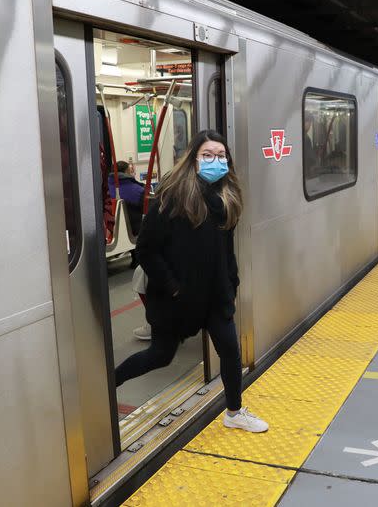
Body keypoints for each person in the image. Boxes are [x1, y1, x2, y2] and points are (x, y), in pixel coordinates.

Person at [114, 129, 268, 433]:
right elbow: (146, 249)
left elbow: (225, 249)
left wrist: (232, 282)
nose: (216, 161)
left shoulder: (226, 198)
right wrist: (173, 287)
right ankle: (109, 383)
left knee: (230, 351)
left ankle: (234, 412)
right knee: (160, 356)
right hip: (177, 298)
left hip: (215, 293)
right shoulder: (171, 198)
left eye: (221, 156)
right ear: (193, 160)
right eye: (207, 155)